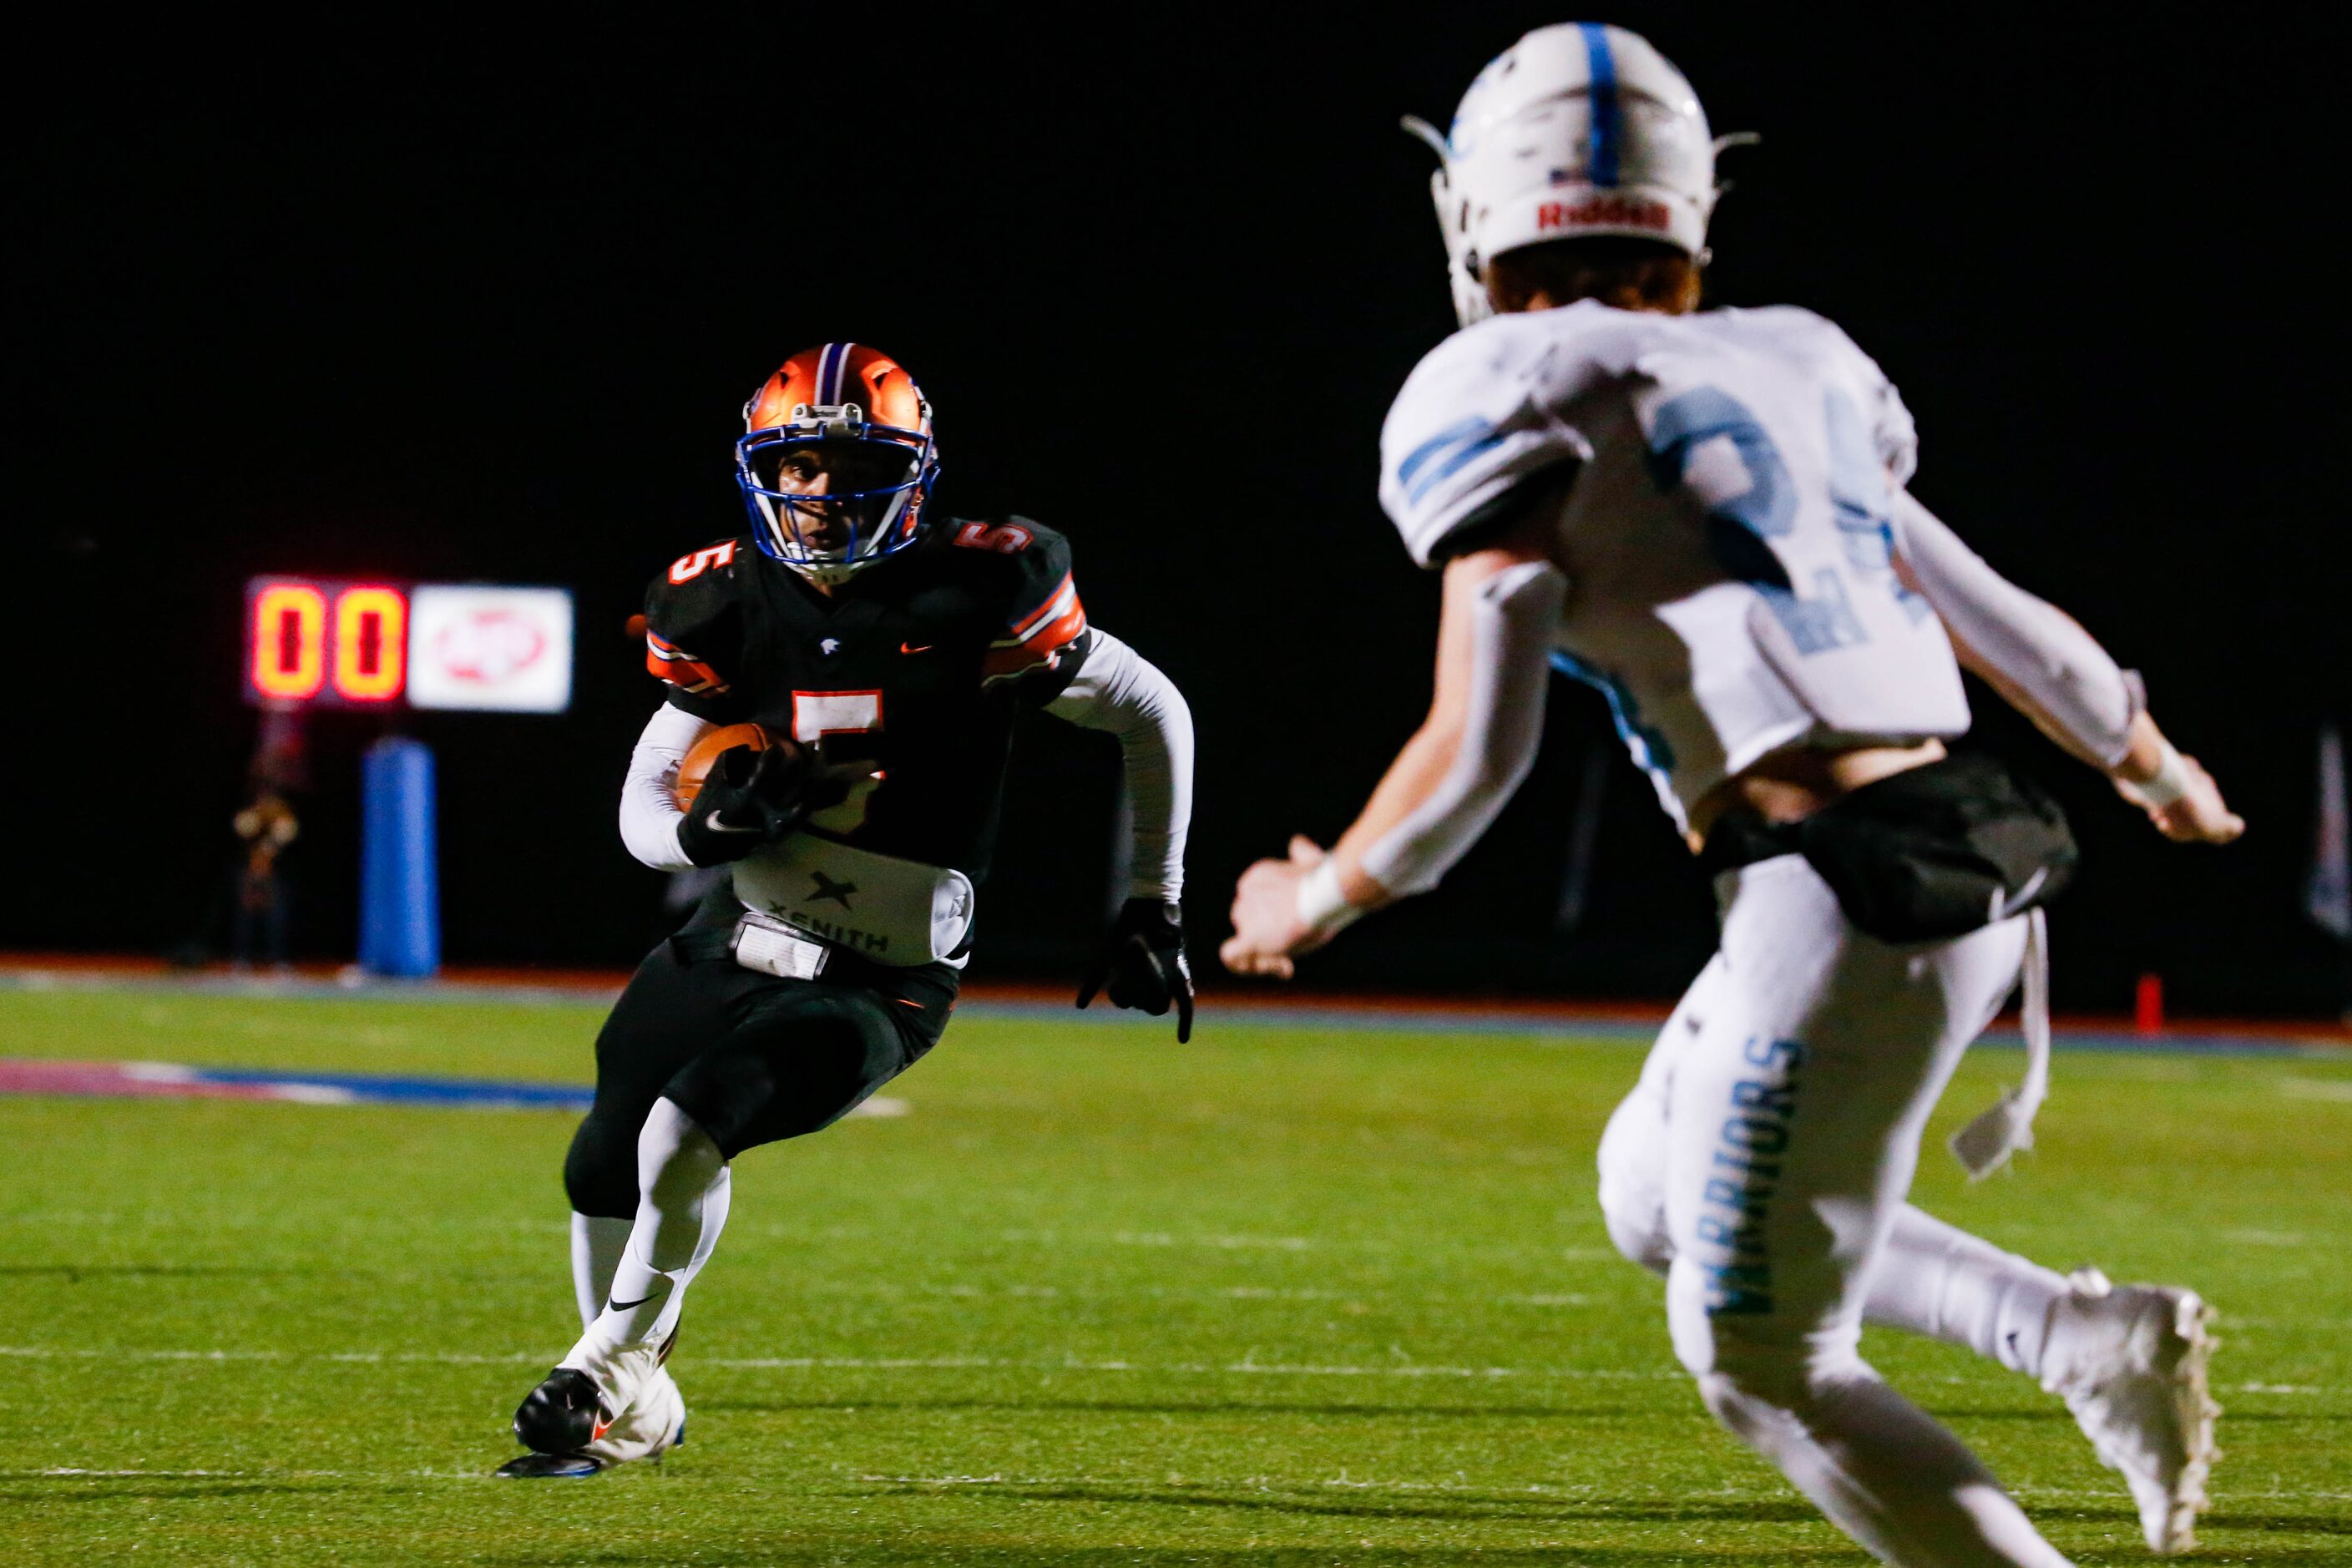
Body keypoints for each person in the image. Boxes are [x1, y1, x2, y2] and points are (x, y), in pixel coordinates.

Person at [1222, 24, 2242, 1564]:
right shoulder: (1800, 357)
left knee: (1764, 1367)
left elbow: (1474, 749)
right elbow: (1996, 614)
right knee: (1649, 1194)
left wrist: (1317, 895)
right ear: (1687, 210)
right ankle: (2079, 1335)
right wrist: (2153, 767)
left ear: (1479, 213)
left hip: (1834, 901)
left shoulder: (1497, 383)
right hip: (1958, 857)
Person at [500, 342, 1195, 1477]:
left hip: (885, 969)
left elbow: (1148, 708)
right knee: (604, 1154)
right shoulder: (717, 598)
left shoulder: (984, 586)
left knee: (690, 1122)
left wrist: (1151, 900)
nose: (819, 494)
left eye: (845, 464)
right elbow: (643, 796)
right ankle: (640, 1407)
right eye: (799, 467)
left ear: (911, 469)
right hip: (736, 931)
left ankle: (605, 1370)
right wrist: (704, 834)